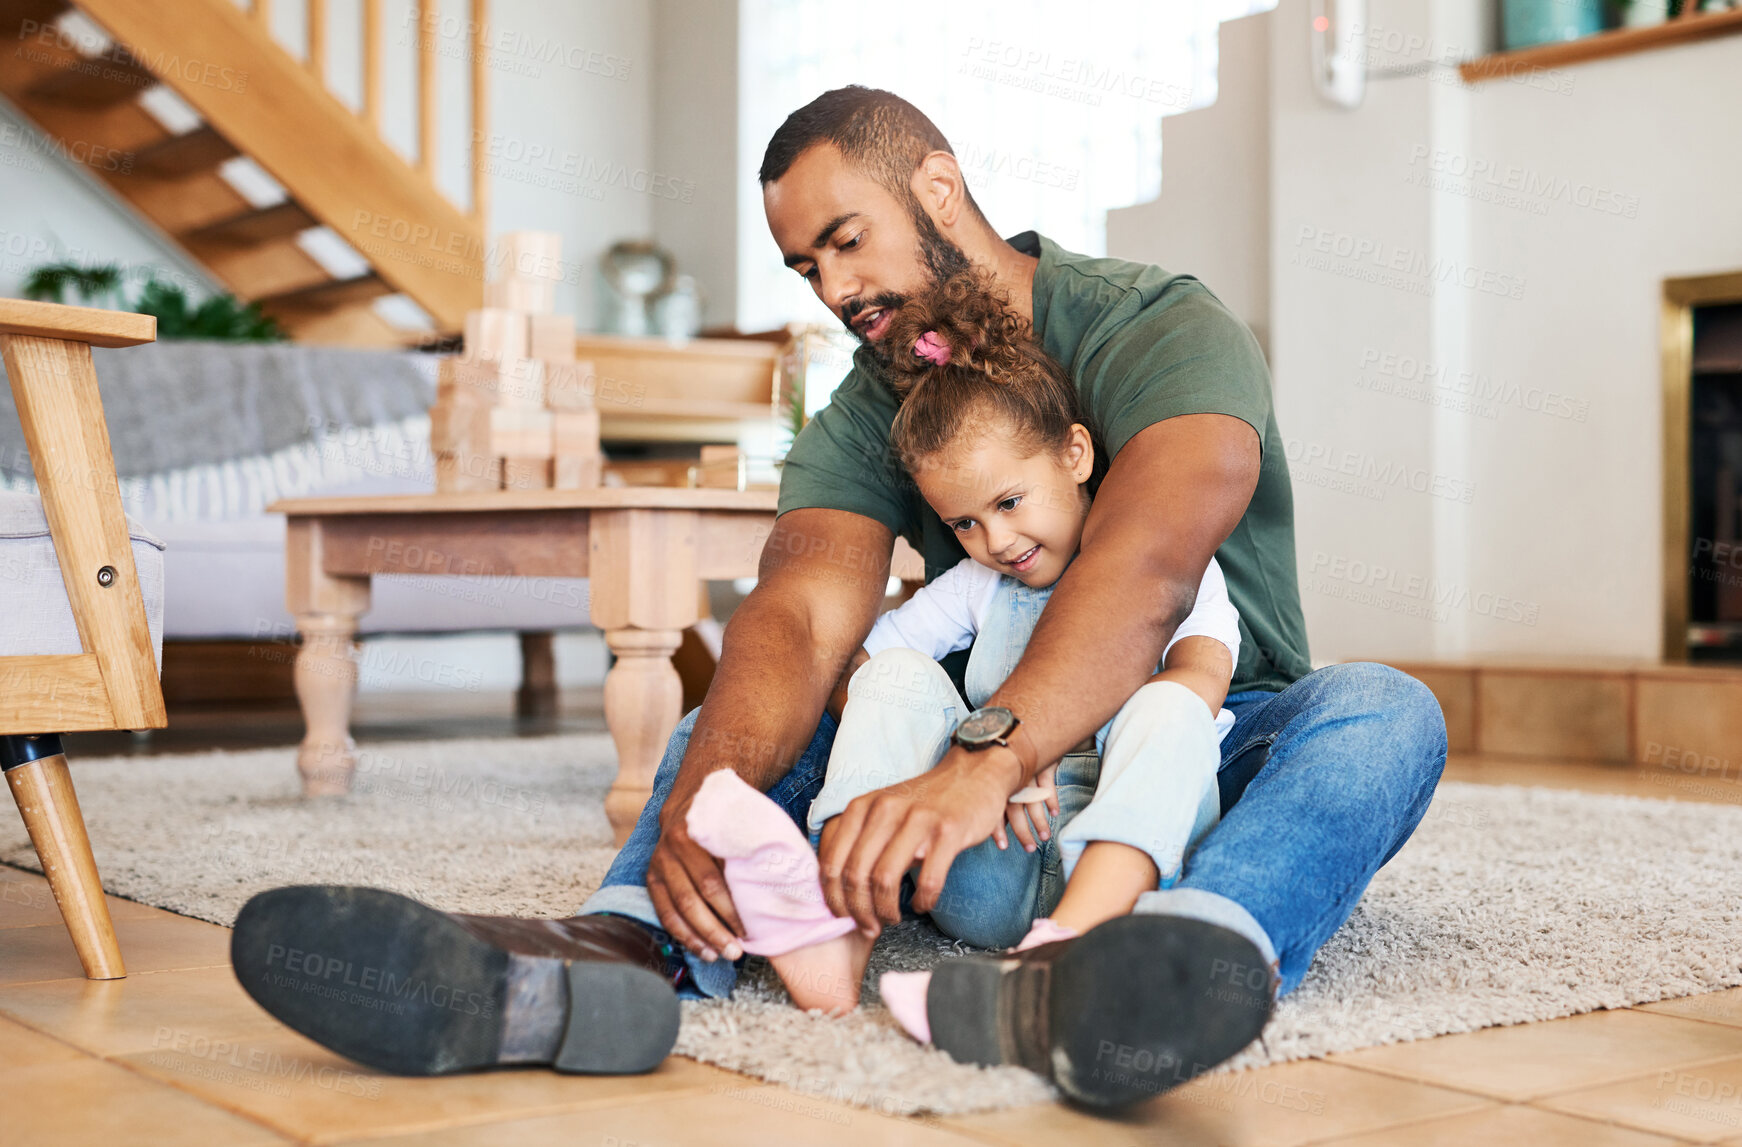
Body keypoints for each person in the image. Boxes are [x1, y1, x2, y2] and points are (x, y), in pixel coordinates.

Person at [230, 85, 1447, 1110]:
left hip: (1211, 735)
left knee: (1385, 712)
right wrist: (708, 799)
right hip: (993, 790)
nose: (831, 287)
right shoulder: (869, 403)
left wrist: (983, 753)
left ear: (935, 185)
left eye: (846, 238)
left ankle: (1168, 965)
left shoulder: (1151, 322)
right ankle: (619, 949)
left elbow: (1146, 568)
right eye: (805, 265)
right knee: (799, 691)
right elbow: (803, 606)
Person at [682, 268, 1243, 1046]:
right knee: (897, 673)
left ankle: (1070, 951)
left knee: (1172, 702)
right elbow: (861, 675)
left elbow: (1204, 676)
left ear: (1075, 454)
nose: (997, 542)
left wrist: (1033, 739)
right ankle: (833, 919)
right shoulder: (978, 585)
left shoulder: (1168, 561)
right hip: (985, 870)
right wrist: (969, 747)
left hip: (1124, 867)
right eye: (966, 524)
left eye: (1010, 503)